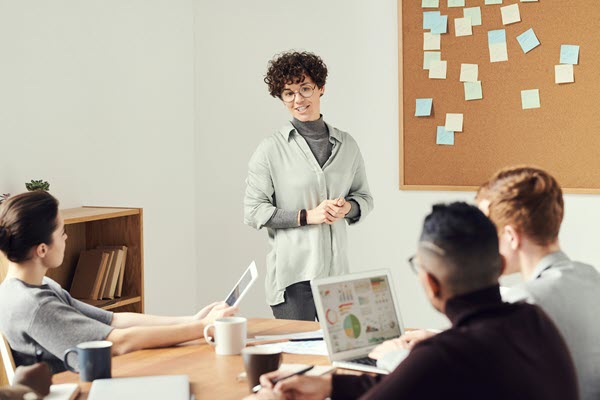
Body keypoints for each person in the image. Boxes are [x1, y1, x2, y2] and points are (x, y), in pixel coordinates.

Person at [245, 202, 578, 400]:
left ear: (430, 283)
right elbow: (411, 383)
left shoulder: (443, 356)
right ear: (502, 266)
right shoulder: (535, 321)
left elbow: (421, 375)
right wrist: (327, 383)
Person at [371, 166, 600, 400]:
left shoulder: (524, 307)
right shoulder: (591, 277)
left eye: (488, 232)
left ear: (510, 236)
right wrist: (436, 339)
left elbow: (457, 372)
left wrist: (394, 355)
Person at [0, 191, 237, 374]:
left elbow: (115, 320)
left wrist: (193, 320)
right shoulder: (34, 306)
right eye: (62, 232)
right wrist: (203, 327)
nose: (66, 237)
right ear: (42, 249)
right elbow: (119, 342)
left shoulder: (37, 287)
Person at [244, 51, 374, 320]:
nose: (298, 99)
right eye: (288, 93)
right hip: (293, 279)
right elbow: (254, 211)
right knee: (298, 356)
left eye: (305, 89)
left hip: (337, 276)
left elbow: (364, 197)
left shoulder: (347, 145)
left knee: (343, 354)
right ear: (281, 98)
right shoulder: (270, 150)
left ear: (321, 88)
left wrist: (346, 208)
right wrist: (307, 216)